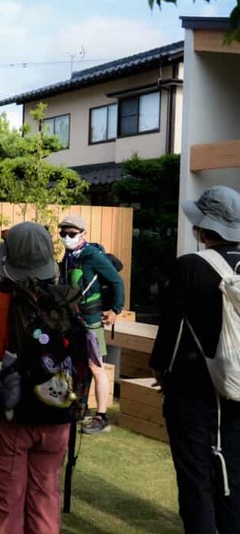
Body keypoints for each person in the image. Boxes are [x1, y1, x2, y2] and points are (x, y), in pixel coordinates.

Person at [0, 221, 71, 533]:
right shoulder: (66, 301)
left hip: (4, 417)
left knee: (4, 510)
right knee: (45, 502)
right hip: (55, 412)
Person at [150, 185, 240, 533]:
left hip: (193, 385)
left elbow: (170, 331)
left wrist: (161, 370)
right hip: (238, 389)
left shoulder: (190, 267)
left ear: (202, 227)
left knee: (195, 476)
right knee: (234, 470)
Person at [58, 214, 124, 434]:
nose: (67, 237)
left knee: (97, 367)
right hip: (73, 319)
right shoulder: (69, 256)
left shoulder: (92, 255)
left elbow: (117, 281)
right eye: (63, 233)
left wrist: (116, 310)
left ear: (83, 234)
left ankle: (102, 415)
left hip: (92, 320)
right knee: (77, 365)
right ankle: (80, 407)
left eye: (72, 234)